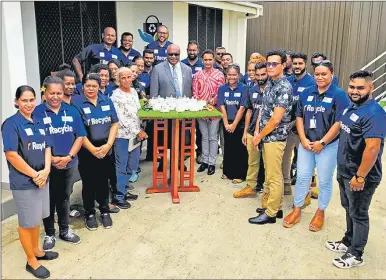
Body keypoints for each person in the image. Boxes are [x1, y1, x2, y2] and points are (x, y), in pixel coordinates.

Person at [326, 70, 386, 268]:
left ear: (371, 87)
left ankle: (356, 254)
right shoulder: (352, 107)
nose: (354, 91)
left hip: (361, 176)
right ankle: (348, 241)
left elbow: (372, 148)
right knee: (349, 209)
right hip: (345, 172)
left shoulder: (374, 113)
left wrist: (360, 177)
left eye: (360, 88)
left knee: (359, 214)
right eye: (352, 87)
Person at [283, 60, 350, 231]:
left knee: (324, 180)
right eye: (317, 74)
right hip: (306, 144)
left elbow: (339, 122)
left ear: (332, 75)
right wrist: (303, 139)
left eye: (324, 74)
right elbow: (299, 116)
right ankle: (297, 210)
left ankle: (320, 212)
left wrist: (323, 142)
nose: (320, 77)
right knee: (303, 177)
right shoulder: (306, 92)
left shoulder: (339, 95)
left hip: (327, 146)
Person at [2, 85, 56, 279]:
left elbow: (48, 146)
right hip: (25, 183)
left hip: (43, 178)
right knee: (27, 222)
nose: (28, 104)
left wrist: (47, 170)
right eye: (24, 100)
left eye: (31, 100)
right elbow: (11, 155)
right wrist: (35, 175)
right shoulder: (11, 124)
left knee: (36, 218)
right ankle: (31, 260)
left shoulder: (40, 120)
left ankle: (37, 251)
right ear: (16, 101)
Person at [34, 77, 86, 251]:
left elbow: (80, 136)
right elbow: (32, 140)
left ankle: (65, 230)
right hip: (45, 166)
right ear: (45, 93)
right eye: (51, 93)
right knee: (47, 200)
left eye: (59, 93)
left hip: (68, 163)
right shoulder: (36, 113)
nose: (55, 97)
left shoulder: (71, 111)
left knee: (64, 197)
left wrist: (69, 157)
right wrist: (51, 160)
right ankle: (49, 233)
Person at [248, 50, 293, 225]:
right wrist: (258, 131)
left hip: (275, 137)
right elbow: (262, 111)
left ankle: (272, 213)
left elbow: (275, 120)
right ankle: (272, 205)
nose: (271, 67)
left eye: (275, 63)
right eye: (269, 63)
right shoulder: (270, 83)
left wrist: (259, 136)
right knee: (269, 174)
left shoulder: (283, 87)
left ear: (283, 65)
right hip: (265, 135)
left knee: (274, 176)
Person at [71, 73, 119, 231]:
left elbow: (115, 123)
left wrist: (108, 145)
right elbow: (78, 130)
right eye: (87, 85)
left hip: (106, 148)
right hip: (86, 150)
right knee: (89, 183)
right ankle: (90, 213)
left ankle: (105, 211)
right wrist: (92, 150)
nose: (91, 89)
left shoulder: (106, 100)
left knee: (104, 182)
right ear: (83, 86)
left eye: (94, 86)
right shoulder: (76, 103)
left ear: (100, 86)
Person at [149, 43, 193, 171]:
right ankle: (163, 162)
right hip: (164, 111)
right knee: (164, 139)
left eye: (176, 54)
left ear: (180, 54)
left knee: (182, 139)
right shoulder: (157, 69)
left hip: (182, 112)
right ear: (166, 54)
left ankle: (180, 161)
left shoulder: (187, 69)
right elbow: (154, 94)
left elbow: (188, 92)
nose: (173, 56)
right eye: (170, 54)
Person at [110, 67, 147, 208]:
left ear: (132, 78)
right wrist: (137, 131)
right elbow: (121, 119)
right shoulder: (116, 95)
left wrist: (141, 128)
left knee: (132, 165)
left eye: (128, 77)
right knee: (121, 166)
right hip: (122, 136)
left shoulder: (133, 92)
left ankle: (124, 190)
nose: (126, 80)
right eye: (123, 78)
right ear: (118, 80)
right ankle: (118, 196)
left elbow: (137, 113)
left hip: (135, 135)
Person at [282, 53, 316, 196]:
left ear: (305, 64)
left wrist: (296, 122)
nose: (297, 66)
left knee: (305, 161)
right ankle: (286, 184)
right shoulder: (287, 81)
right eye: (295, 63)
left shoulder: (312, 82)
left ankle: (308, 190)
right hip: (287, 126)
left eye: (300, 63)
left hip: (305, 129)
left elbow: (309, 108)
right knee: (285, 157)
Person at [233, 62, 267, 198]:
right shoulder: (251, 89)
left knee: (268, 165)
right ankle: (251, 187)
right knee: (252, 161)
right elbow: (249, 111)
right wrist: (246, 132)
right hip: (252, 131)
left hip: (268, 133)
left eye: (263, 74)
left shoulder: (273, 90)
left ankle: (267, 190)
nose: (260, 77)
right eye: (257, 74)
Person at [192, 49, 225, 175]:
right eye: (205, 59)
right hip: (201, 111)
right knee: (204, 137)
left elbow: (220, 92)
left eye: (210, 59)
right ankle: (204, 161)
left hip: (214, 111)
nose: (208, 62)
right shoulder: (197, 75)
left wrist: (212, 103)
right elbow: (195, 93)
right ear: (202, 60)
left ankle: (212, 163)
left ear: (213, 59)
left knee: (212, 137)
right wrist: (202, 105)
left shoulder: (219, 75)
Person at [218, 64, 249, 184]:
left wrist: (234, 124)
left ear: (239, 75)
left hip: (239, 123)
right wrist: (226, 124)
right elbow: (221, 106)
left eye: (234, 75)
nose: (232, 77)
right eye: (229, 75)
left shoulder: (244, 88)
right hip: (227, 122)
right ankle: (227, 172)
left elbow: (242, 108)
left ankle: (239, 175)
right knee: (228, 147)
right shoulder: (222, 88)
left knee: (239, 149)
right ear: (226, 75)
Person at [181, 40, 204, 164]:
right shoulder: (182, 64)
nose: (192, 52)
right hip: (185, 100)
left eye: (194, 50)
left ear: (198, 51)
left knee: (199, 127)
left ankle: (199, 152)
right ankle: (185, 151)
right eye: (190, 50)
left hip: (199, 101)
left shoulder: (202, 63)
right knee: (185, 127)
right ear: (187, 50)